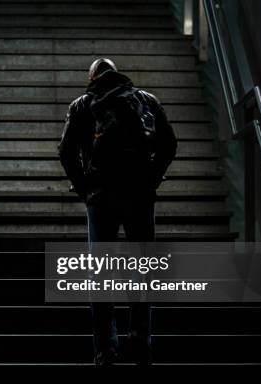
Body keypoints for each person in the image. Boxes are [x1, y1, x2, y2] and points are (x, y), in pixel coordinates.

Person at [58, 58, 177, 366]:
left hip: (101, 197)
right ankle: (139, 340)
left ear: (92, 78)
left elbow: (66, 152)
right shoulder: (145, 100)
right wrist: (151, 179)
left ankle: (105, 349)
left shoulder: (82, 105)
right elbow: (169, 143)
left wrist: (85, 188)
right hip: (139, 195)